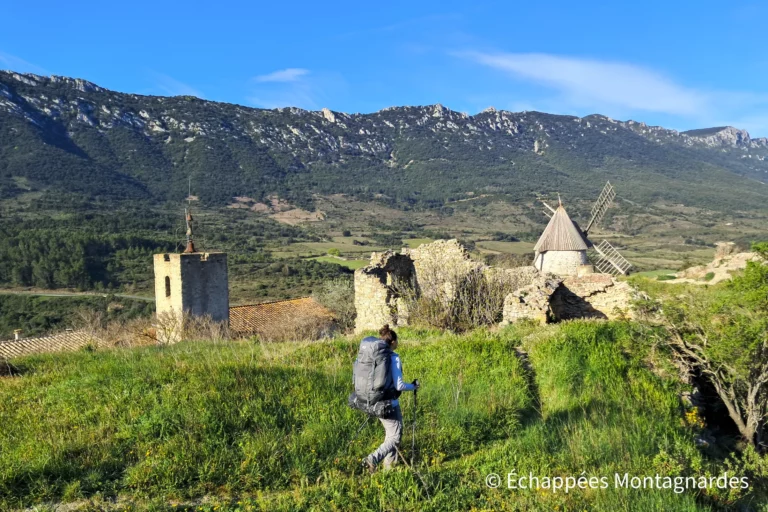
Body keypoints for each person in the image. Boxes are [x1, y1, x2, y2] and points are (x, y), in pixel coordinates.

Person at [363, 324, 420, 473]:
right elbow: (399, 385)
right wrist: (413, 386)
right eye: (397, 340)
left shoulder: (375, 357)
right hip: (389, 404)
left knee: (391, 435)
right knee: (395, 437)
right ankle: (373, 459)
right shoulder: (393, 358)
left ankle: (389, 470)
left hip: (373, 401)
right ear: (393, 342)